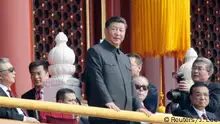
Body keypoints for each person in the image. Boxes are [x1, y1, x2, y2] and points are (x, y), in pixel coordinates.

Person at [83, 16, 151, 124]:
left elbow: (130, 85)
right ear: (106, 31)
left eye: (121, 30)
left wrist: (138, 106)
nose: (118, 33)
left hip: (125, 115)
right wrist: (107, 101)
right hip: (105, 113)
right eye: (114, 29)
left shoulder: (125, 58)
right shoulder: (96, 51)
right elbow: (96, 78)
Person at [0, 58, 39, 123]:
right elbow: (2, 112)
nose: (14, 73)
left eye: (14, 69)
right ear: (0, 75)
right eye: (11, 70)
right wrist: (24, 119)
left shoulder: (10, 93)